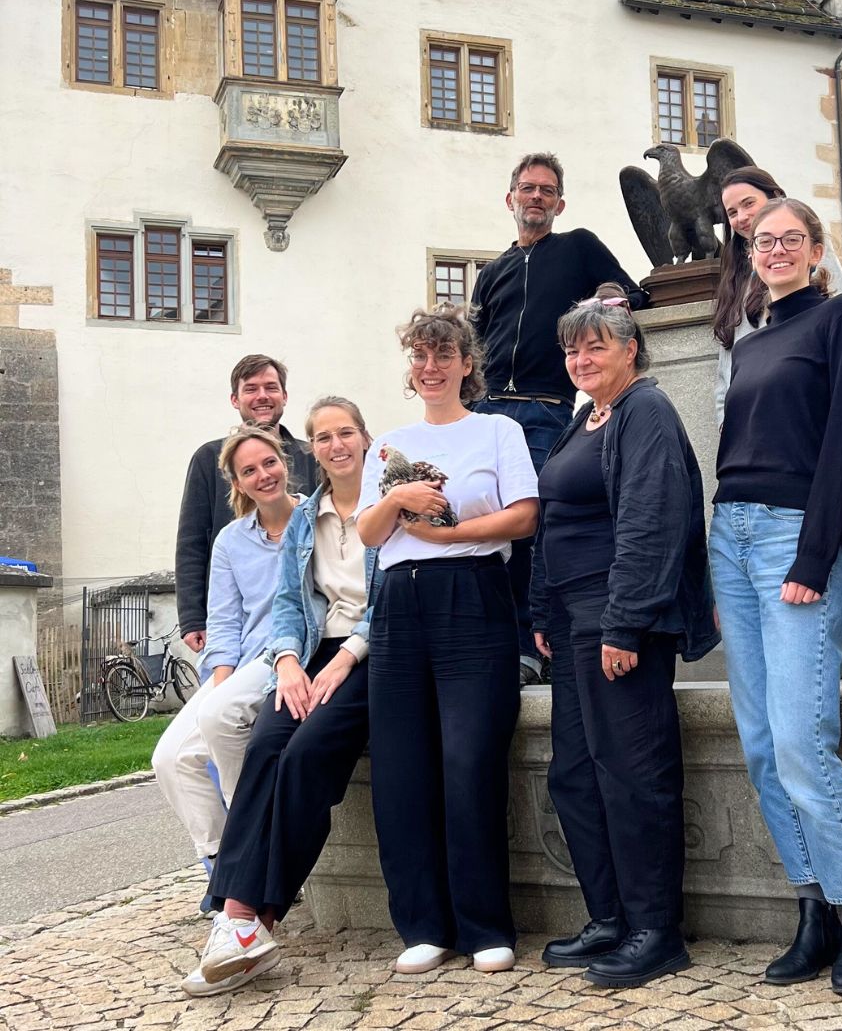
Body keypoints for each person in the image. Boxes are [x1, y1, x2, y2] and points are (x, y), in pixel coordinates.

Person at [708, 198, 842, 995]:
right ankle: (809, 908)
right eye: (762, 241)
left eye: (790, 240)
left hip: (791, 540)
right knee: (756, 744)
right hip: (732, 540)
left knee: (801, 742)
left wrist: (815, 557)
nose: (774, 249)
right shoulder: (749, 343)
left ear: (816, 252)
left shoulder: (839, 317)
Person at [530, 285, 719, 989]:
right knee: (576, 774)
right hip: (575, 620)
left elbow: (651, 517)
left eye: (596, 344)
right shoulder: (588, 417)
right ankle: (609, 917)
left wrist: (626, 621)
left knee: (634, 776)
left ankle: (655, 932)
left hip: (618, 617)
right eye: (572, 347)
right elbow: (552, 520)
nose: (581, 357)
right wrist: (544, 612)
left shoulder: (647, 410)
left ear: (630, 348)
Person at [358, 306, 538, 975]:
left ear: (466, 364)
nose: (430, 366)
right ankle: (423, 926)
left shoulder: (498, 430)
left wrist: (448, 535)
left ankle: (485, 923)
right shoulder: (391, 440)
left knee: (469, 762)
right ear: (411, 369)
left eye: (443, 355)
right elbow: (370, 535)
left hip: (472, 594)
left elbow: (522, 518)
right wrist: (400, 499)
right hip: (399, 604)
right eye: (420, 356)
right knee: (403, 767)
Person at [183, 397, 375, 997]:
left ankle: (252, 924)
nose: (335, 444)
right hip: (312, 652)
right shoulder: (305, 519)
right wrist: (288, 660)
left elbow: (393, 597)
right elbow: (292, 605)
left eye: (345, 433)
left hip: (372, 654)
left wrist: (345, 659)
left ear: (366, 439)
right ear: (311, 450)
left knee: (302, 758)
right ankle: (237, 920)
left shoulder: (386, 503)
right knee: (266, 744)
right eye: (323, 436)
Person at [471, 152, 648, 684]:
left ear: (559, 203)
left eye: (547, 191)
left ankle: (531, 648)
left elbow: (629, 295)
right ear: (511, 198)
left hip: (545, 407)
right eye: (528, 189)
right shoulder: (492, 272)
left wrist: (608, 301)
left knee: (532, 526)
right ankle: (492, 642)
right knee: (482, 525)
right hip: (486, 410)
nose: (537, 198)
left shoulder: (578, 247)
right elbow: (474, 344)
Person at [153, 426, 301, 883]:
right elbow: (223, 622)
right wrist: (218, 681)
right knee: (171, 758)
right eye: (249, 470)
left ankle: (254, 857)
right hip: (239, 664)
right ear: (237, 484)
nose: (263, 475)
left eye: (269, 463)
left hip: (289, 654)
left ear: (284, 463)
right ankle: (222, 863)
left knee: (220, 717)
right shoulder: (232, 541)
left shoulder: (315, 520)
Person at [176, 354, 318, 657]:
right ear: (234, 399)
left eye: (271, 387)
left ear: (284, 396)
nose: (263, 396)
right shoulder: (209, 459)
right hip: (233, 617)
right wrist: (192, 617)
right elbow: (191, 541)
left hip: (302, 617)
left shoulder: (312, 457)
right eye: (251, 389)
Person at [713, 166, 842, 429]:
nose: (742, 216)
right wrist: (726, 422)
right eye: (732, 212)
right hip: (749, 421)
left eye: (748, 203)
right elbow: (726, 359)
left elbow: (835, 311)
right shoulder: (735, 272)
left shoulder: (803, 252)